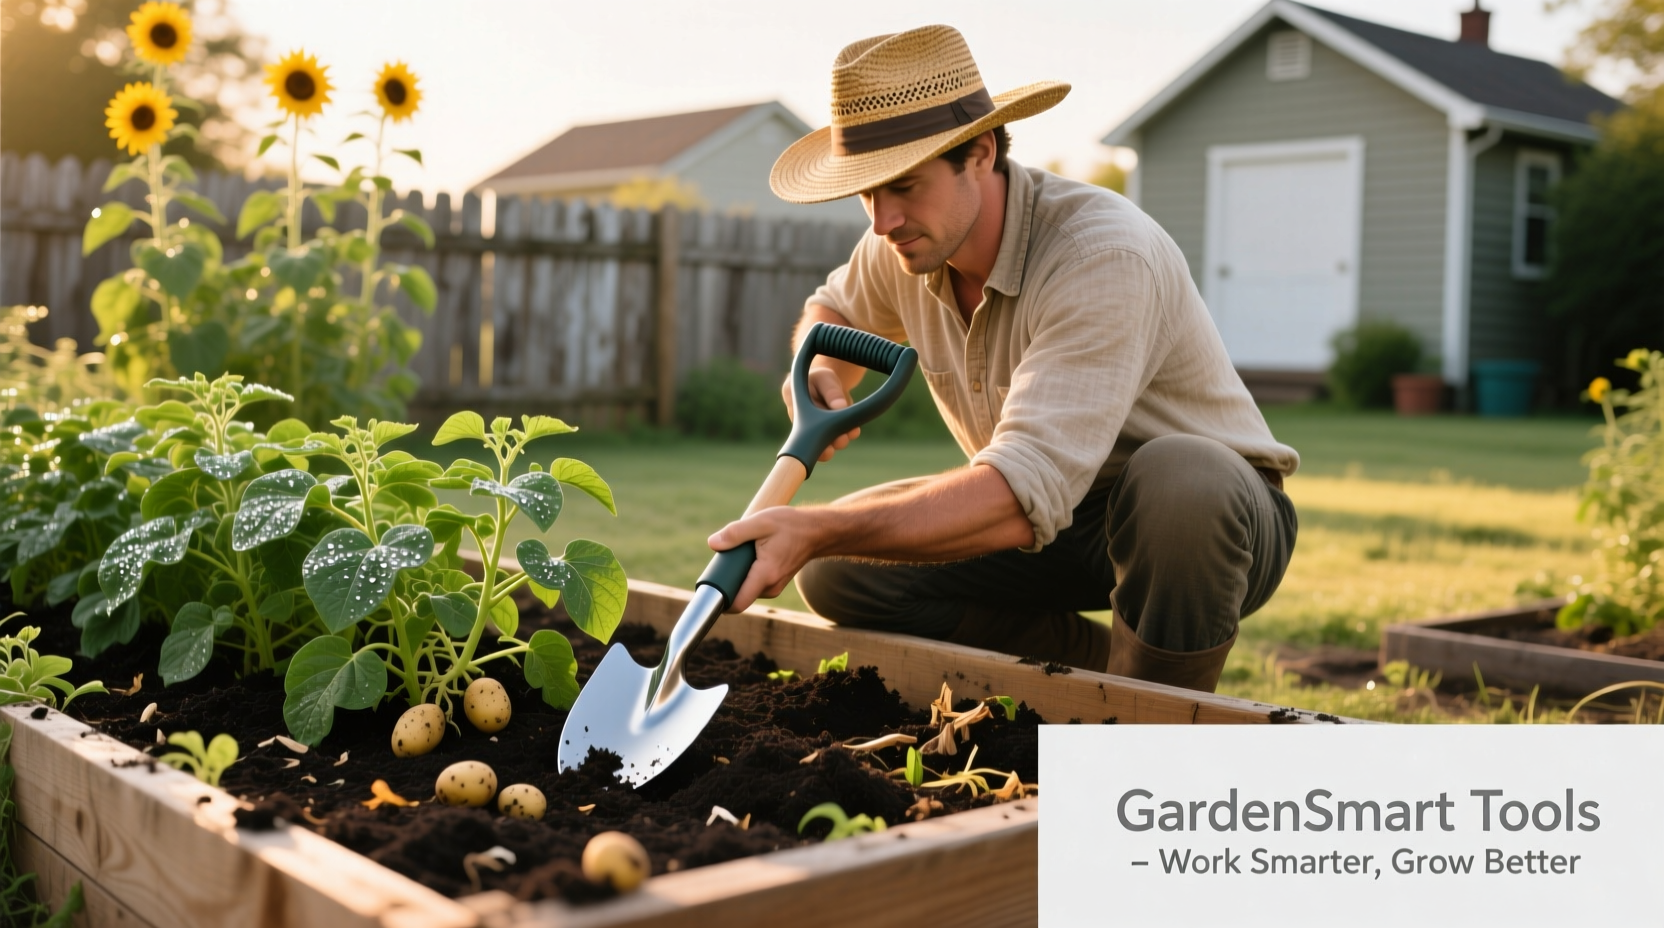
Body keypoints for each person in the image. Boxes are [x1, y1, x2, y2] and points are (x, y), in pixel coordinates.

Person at [705, 24, 1299, 692]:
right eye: (866, 193)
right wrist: (820, 374)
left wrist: (814, 526)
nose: (881, 220)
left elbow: (1018, 495)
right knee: (837, 571)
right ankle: (1103, 674)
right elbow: (832, 311)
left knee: (1180, 475)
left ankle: (1150, 723)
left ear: (980, 152)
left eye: (902, 184)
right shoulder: (905, 244)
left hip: (1203, 526)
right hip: (1059, 527)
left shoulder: (1101, 255)